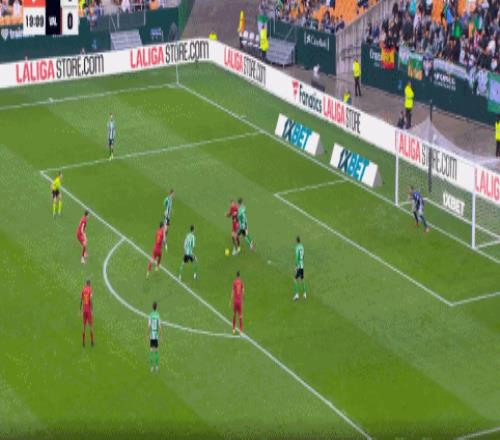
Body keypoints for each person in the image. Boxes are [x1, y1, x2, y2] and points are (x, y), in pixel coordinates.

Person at [147, 301, 163, 372]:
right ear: (156, 307)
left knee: (151, 351)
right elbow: (160, 326)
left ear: (152, 307)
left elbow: (149, 326)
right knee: (156, 351)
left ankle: (151, 367)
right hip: (156, 335)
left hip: (152, 335)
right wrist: (161, 335)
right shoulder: (158, 315)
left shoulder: (150, 315)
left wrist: (147, 335)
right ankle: (156, 366)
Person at [80, 280, 94, 347]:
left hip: (84, 310)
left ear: (86, 284)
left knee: (84, 326)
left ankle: (83, 342)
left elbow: (81, 300)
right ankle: (92, 342)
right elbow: (90, 300)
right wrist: (92, 309)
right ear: (90, 284)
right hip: (88, 310)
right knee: (91, 326)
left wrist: (80, 309)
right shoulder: (90, 290)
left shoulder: (83, 290)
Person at [293, 236, 307, 301]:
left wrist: (296, 266)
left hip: (299, 265)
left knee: (295, 279)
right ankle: (305, 294)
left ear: (296, 241)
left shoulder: (297, 247)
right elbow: (303, 256)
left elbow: (296, 257)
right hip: (302, 265)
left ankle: (296, 295)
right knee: (302, 279)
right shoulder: (302, 246)